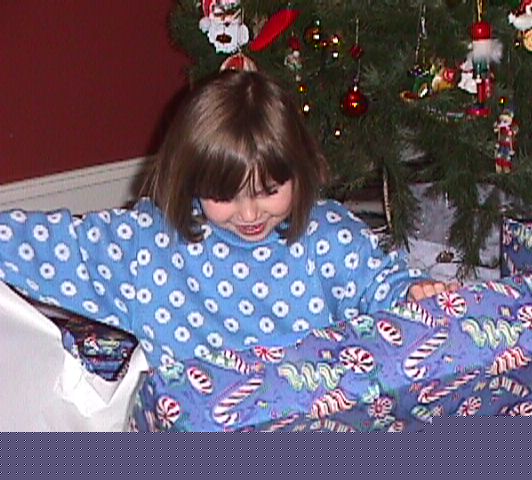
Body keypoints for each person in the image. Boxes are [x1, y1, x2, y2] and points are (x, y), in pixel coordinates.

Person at [0, 70, 454, 427]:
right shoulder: (147, 245)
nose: (250, 213)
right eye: (224, 196)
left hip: (309, 423)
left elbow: (377, 282)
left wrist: (410, 290)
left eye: (269, 191)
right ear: (191, 180)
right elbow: (59, 247)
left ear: (299, 172)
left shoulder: (328, 236)